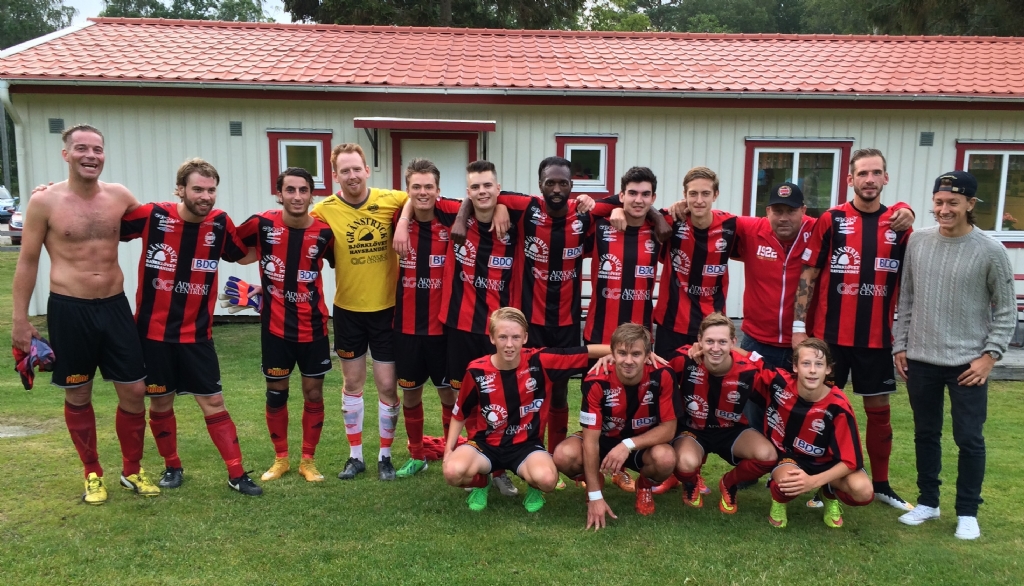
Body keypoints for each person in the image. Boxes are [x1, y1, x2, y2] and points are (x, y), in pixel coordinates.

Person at [11, 124, 155, 504]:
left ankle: (132, 470)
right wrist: (20, 320)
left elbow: (161, 224)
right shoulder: (45, 202)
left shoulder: (120, 196)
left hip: (114, 306)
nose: (90, 156)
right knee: (78, 392)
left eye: (97, 149)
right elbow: (27, 261)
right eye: (81, 149)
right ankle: (92, 473)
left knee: (135, 390)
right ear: (66, 154)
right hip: (69, 308)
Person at [120, 158, 261, 496]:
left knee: (214, 402)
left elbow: (241, 254)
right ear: (181, 189)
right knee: (160, 404)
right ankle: (172, 466)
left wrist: (283, 237)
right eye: (198, 189)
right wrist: (57, 194)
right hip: (152, 334)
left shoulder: (220, 223)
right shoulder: (153, 215)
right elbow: (103, 222)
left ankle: (237, 473)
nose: (205, 196)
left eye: (211, 190)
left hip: (197, 335)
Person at [892, 171, 1016, 540]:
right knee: (925, 433)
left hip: (968, 364)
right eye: (939, 202)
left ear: (970, 204)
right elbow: (907, 298)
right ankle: (928, 502)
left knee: (969, 438)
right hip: (922, 359)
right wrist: (901, 345)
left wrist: (990, 357)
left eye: (953, 203)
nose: (944, 209)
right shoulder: (918, 241)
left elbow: (1006, 310)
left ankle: (967, 511)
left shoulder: (991, 250)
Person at [792, 148, 913, 511]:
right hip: (829, 339)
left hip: (876, 338)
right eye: (862, 173)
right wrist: (799, 327)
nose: (869, 180)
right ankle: (819, 484)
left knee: (879, 412)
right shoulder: (831, 220)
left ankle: (882, 484)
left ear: (886, 178)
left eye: (876, 173)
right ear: (850, 179)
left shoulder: (899, 225)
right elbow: (809, 274)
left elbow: (910, 282)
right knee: (819, 411)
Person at [442, 308, 610, 512]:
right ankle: (482, 482)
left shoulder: (541, 361)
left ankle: (534, 488)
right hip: (485, 445)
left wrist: (620, 353)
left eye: (515, 337)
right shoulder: (476, 370)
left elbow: (585, 352)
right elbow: (460, 414)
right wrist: (448, 450)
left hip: (526, 446)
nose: (509, 344)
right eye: (503, 337)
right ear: (492, 338)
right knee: (452, 472)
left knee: (548, 480)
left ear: (525, 338)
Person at [311, 144, 406, 481]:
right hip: (348, 310)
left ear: (367, 170)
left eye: (356, 168)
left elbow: (420, 199)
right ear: (335, 175)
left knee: (387, 386)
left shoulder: (392, 199)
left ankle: (385, 456)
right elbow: (295, 235)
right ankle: (355, 457)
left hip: (387, 309)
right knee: (352, 383)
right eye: (344, 170)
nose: (352, 175)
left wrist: (403, 223)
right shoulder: (323, 210)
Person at [237, 168, 336, 484]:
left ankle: (308, 461)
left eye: (303, 190)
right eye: (290, 190)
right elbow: (236, 252)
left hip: (314, 327)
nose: (297, 196)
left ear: (311, 195)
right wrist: (258, 288)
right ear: (279, 194)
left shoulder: (325, 233)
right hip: (275, 328)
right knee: (276, 394)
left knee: (313, 394)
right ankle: (281, 459)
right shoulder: (262, 224)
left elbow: (343, 263)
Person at [582, 166, 664, 493]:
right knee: (598, 407)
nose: (638, 200)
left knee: (640, 405)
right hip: (599, 335)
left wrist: (655, 214)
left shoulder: (659, 230)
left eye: (645, 194)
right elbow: (580, 209)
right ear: (621, 194)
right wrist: (611, 207)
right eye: (632, 193)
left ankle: (634, 470)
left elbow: (684, 213)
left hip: (641, 340)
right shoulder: (601, 225)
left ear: (654, 198)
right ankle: (594, 473)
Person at [554, 323, 678, 528]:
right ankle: (594, 483)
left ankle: (644, 486)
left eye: (636, 354)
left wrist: (627, 445)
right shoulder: (596, 379)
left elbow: (669, 429)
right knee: (563, 455)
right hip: (604, 440)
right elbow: (591, 442)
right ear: (612, 353)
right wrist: (595, 496)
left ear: (648, 355)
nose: (628, 361)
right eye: (622, 353)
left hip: (641, 444)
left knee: (666, 459)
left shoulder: (663, 374)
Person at [663, 313, 778, 513]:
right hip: (693, 430)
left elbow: (782, 387)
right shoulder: (684, 359)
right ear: (699, 341)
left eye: (722, 342)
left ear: (733, 342)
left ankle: (729, 483)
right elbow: (654, 372)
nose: (716, 348)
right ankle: (690, 482)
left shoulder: (749, 370)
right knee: (684, 462)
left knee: (767, 456)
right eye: (710, 341)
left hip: (732, 430)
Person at [755, 339, 875, 529]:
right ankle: (779, 500)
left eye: (819, 364)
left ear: (828, 369)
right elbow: (749, 358)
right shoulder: (780, 382)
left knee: (863, 491)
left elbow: (851, 461)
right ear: (795, 367)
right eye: (806, 363)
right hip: (791, 458)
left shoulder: (839, 406)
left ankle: (828, 492)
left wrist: (812, 482)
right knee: (787, 482)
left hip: (827, 463)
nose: (812, 370)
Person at [389, 159, 460, 478]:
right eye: (416, 186)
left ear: (438, 190)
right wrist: (404, 219)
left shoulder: (451, 218)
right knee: (410, 393)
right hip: (405, 327)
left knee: (448, 394)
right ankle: (416, 455)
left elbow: (479, 200)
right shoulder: (396, 218)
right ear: (407, 190)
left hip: (443, 328)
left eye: (428, 186)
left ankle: (451, 454)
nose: (422, 192)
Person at [651, 167, 738, 358]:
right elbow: (637, 206)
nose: (699, 200)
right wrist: (619, 210)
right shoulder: (671, 219)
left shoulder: (732, 225)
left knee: (708, 378)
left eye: (705, 193)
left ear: (715, 195)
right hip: (671, 323)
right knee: (667, 376)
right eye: (693, 194)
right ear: (684, 194)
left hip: (711, 326)